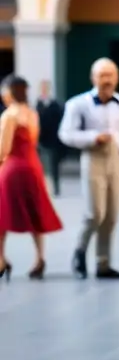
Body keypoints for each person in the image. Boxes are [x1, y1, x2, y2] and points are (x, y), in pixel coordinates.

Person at [58, 58, 119, 280]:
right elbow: (65, 134)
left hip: (115, 157)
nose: (107, 80)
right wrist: (93, 137)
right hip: (92, 156)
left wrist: (116, 141)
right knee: (95, 212)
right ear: (93, 78)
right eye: (102, 75)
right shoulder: (78, 104)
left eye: (110, 75)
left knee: (111, 214)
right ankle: (79, 250)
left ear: (117, 78)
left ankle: (103, 263)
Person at [0, 76, 63, 281]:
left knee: (3, 213)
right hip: (33, 166)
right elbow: (33, 141)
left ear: (9, 92)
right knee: (35, 212)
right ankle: (39, 258)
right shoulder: (32, 113)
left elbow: (3, 150)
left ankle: (0, 259)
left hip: (13, 168)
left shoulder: (9, 115)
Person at [35, 80, 65, 196]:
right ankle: (41, 187)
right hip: (40, 138)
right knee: (39, 164)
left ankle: (56, 187)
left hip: (53, 139)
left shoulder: (55, 104)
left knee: (54, 165)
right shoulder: (37, 104)